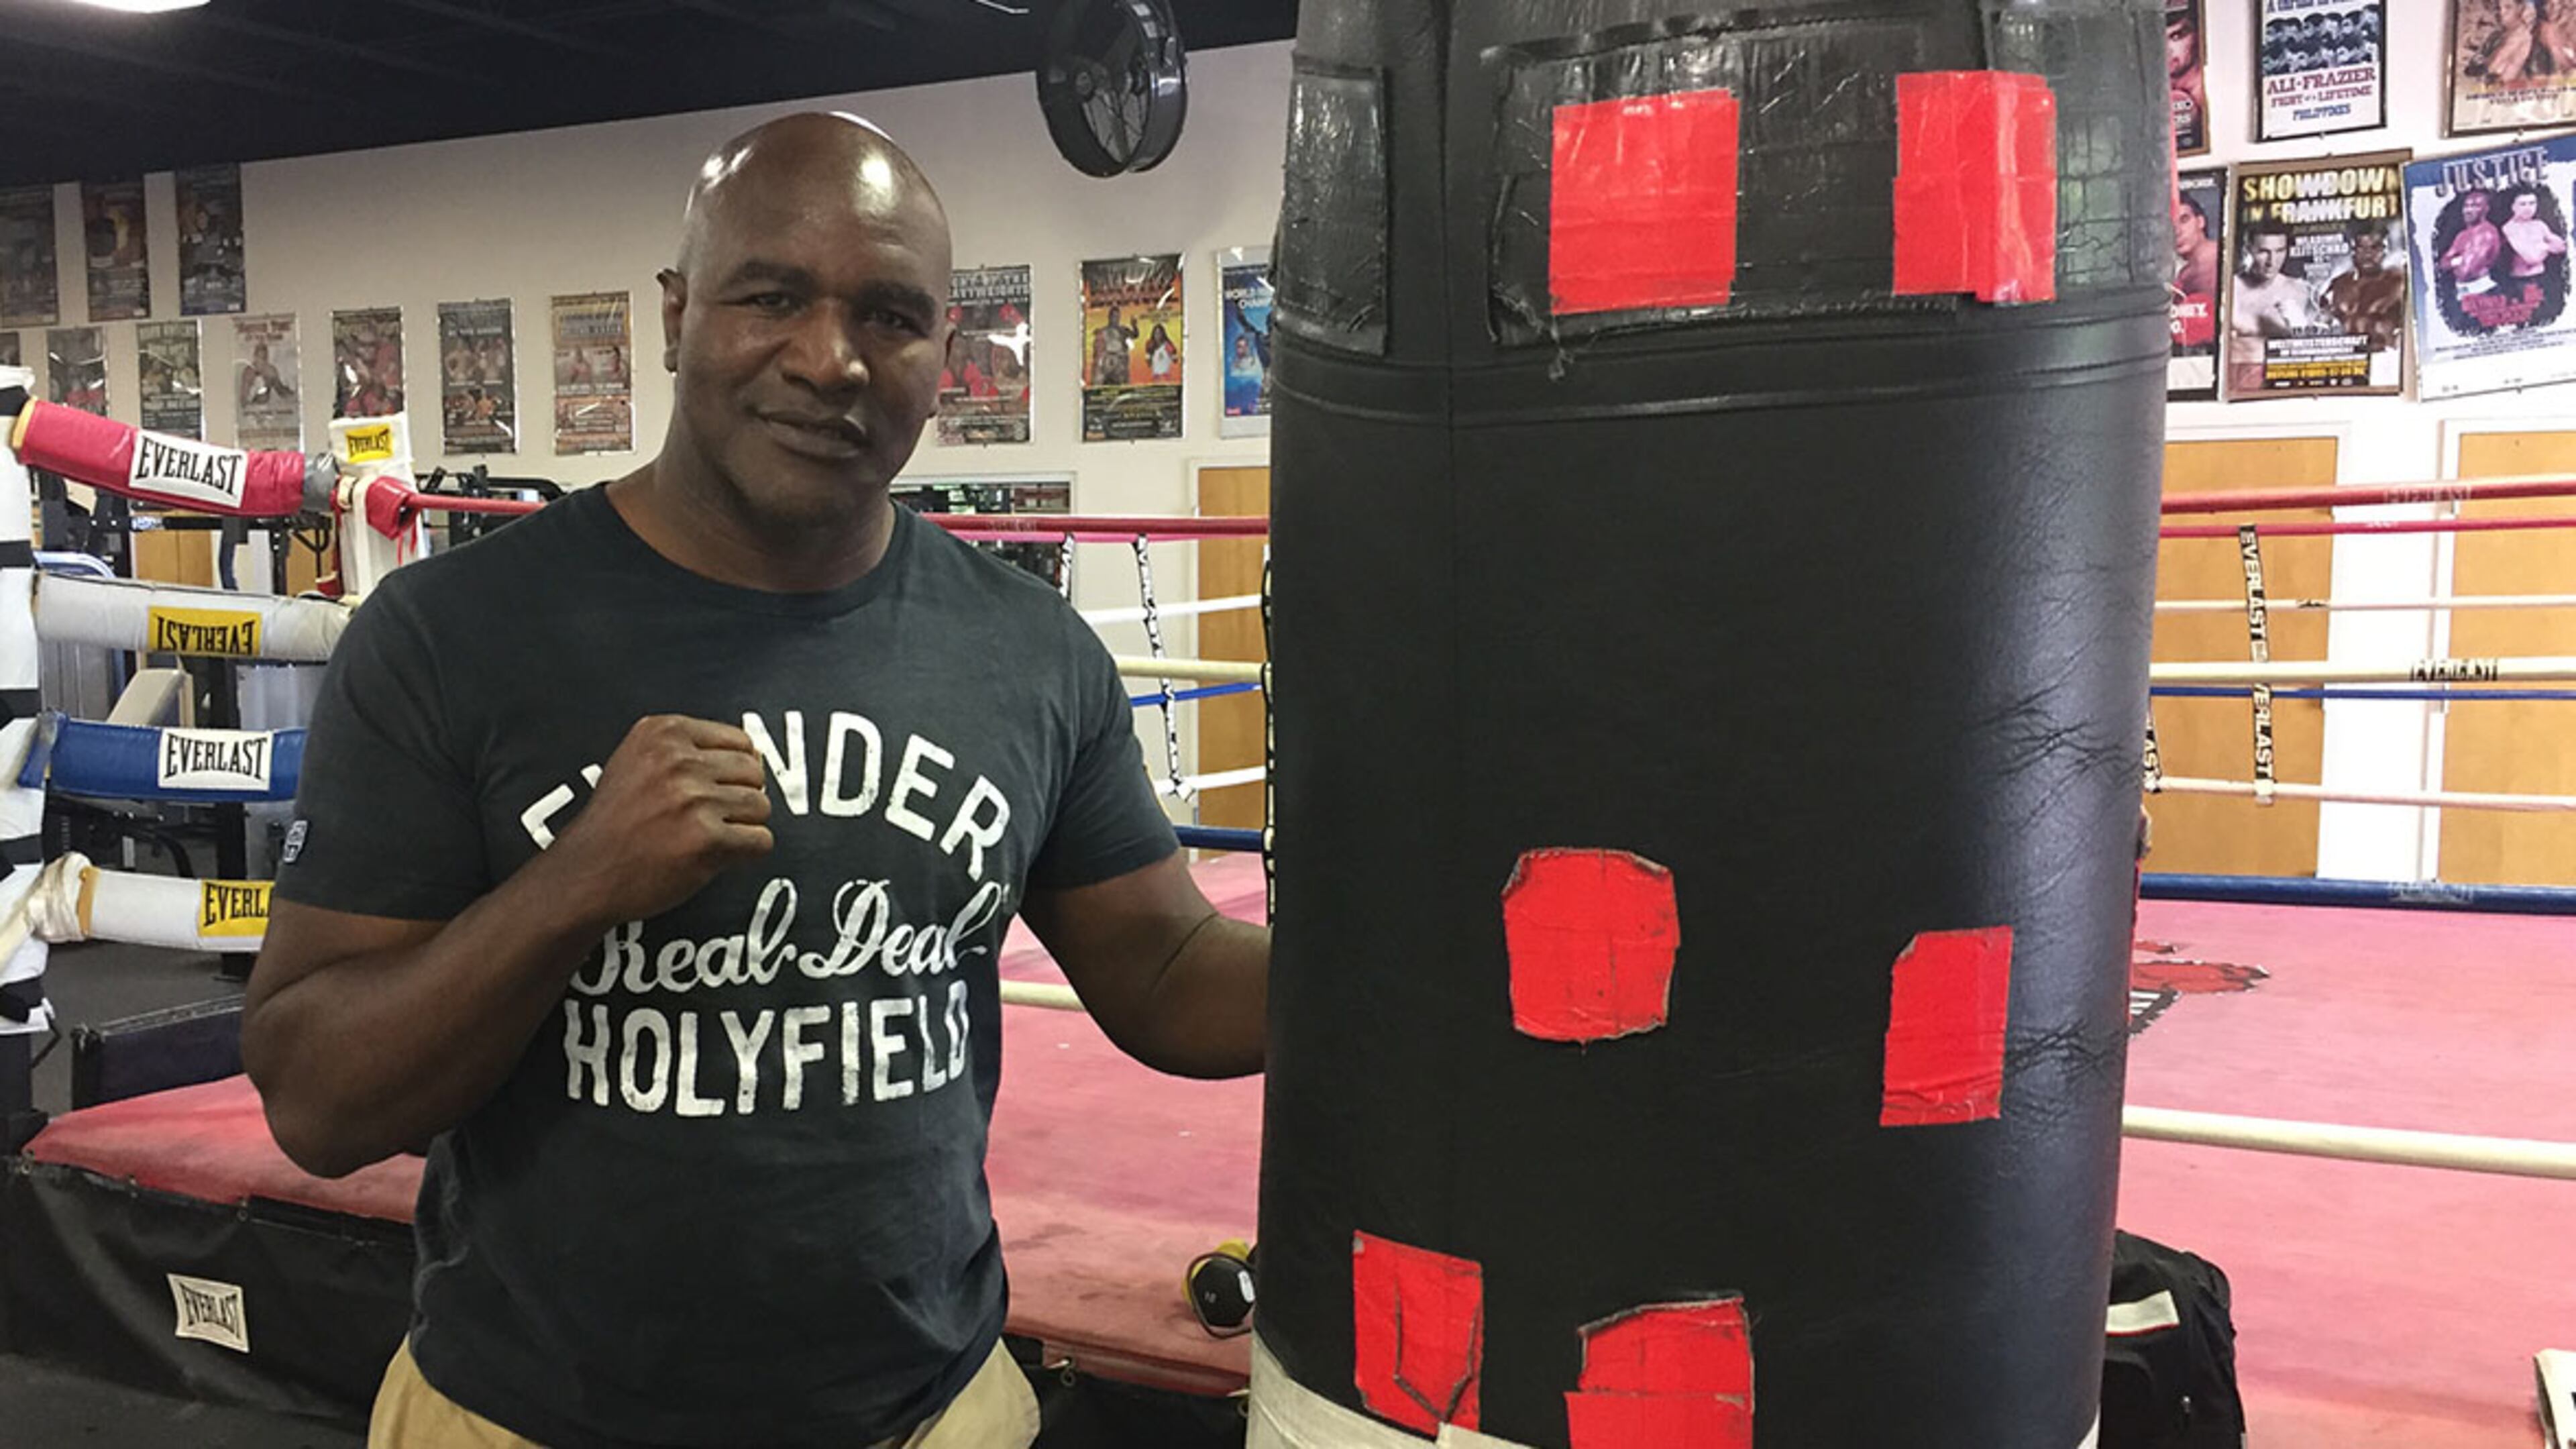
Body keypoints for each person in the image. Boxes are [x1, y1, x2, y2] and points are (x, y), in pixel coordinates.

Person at [242, 111, 1269, 1449]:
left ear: (946, 356)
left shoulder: (1026, 653)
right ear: (674, 317)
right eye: (772, 296)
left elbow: (1166, 966)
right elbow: (316, 1099)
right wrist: (569, 893)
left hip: (929, 1413)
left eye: (889, 314)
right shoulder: (453, 637)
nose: (829, 358)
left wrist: (1417, 971)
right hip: (529, 1418)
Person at [2229, 227, 2312, 391]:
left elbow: (2313, 346)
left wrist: (2300, 329)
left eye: (2280, 251)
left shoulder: (2299, 291)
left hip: (2284, 380)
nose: (2272, 262)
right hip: (2237, 381)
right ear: (2248, 250)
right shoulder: (2232, 289)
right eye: (2264, 252)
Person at [2322, 228, 2407, 354]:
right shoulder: (2338, 284)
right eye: (2361, 248)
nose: (2367, 255)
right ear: (2353, 251)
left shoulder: (2398, 282)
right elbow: (2323, 323)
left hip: (2385, 359)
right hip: (2348, 362)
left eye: (2375, 248)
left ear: (2386, 250)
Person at [2500, 184, 2570, 280]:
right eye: (2523, 204)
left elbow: (2562, 247)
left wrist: (2540, 247)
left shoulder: (2539, 225)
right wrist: (2547, 246)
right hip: (2522, 281)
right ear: (2513, 207)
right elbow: (2532, 258)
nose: (2528, 208)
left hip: (2543, 277)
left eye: (2532, 203)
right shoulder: (2509, 228)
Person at [2443, 189, 2505, 289]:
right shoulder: (2462, 235)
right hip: (2462, 289)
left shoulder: (2486, 233)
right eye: (2467, 206)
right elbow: (2443, 263)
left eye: (2475, 206)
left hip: (2481, 288)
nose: (2469, 210)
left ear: (2486, 209)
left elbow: (2466, 271)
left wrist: (2456, 260)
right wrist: (2460, 260)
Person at [2172, 193, 2220, 299]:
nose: (2178, 232)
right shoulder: (2182, 278)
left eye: (2184, 220)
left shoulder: (2225, 258)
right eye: (2171, 226)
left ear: (2200, 222)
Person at [1091, 303, 1135, 385]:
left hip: (1120, 361)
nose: (1116, 319)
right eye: (1114, 316)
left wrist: (1134, 326)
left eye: (1118, 316)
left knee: (1122, 384)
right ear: (1109, 317)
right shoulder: (1103, 330)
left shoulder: (1123, 330)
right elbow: (1097, 350)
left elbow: (1135, 335)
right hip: (1107, 361)